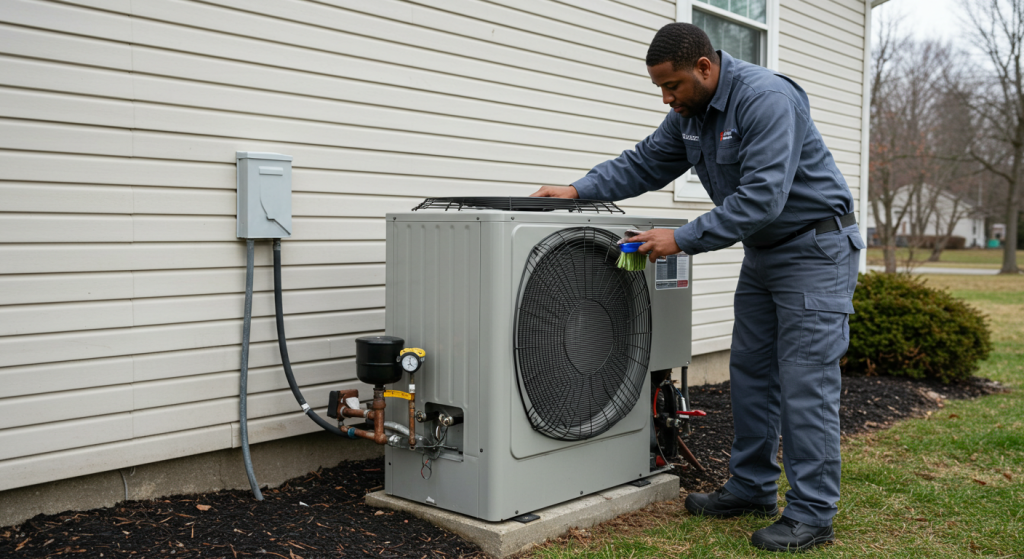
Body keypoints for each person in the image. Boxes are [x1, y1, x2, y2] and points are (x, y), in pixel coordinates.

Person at [530, 23, 863, 553]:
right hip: (766, 254)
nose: (667, 99)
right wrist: (576, 190)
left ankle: (812, 514)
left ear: (705, 68)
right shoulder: (690, 113)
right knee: (751, 373)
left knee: (806, 382)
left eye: (673, 86)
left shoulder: (766, 99)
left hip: (815, 251)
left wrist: (681, 238)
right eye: (660, 89)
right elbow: (645, 162)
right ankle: (751, 488)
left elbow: (762, 197)